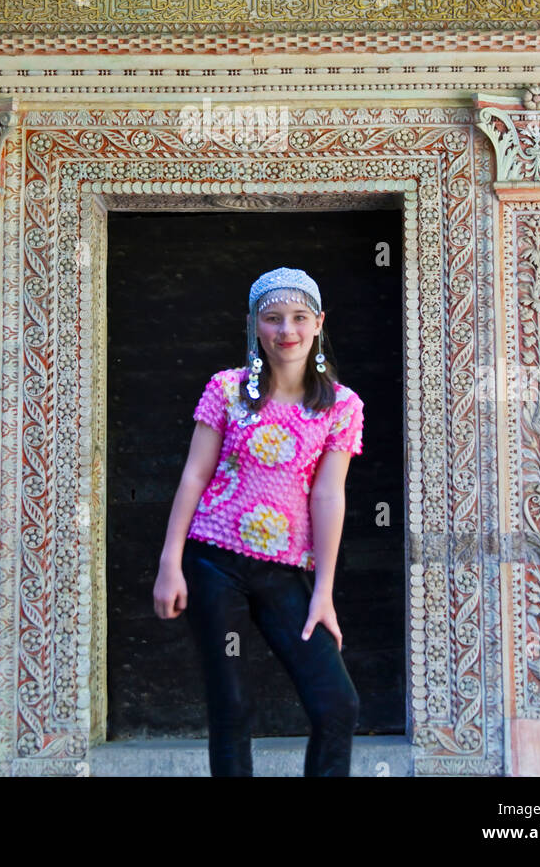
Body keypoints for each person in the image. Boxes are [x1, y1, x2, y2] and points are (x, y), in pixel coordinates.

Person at [153, 266, 365, 777]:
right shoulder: (228, 390)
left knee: (338, 704)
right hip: (212, 563)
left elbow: (328, 495)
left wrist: (323, 592)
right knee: (232, 707)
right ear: (255, 326)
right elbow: (193, 477)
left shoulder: (341, 406)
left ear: (317, 324)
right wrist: (170, 563)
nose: (285, 331)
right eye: (272, 319)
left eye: (297, 318)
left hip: (286, 572)